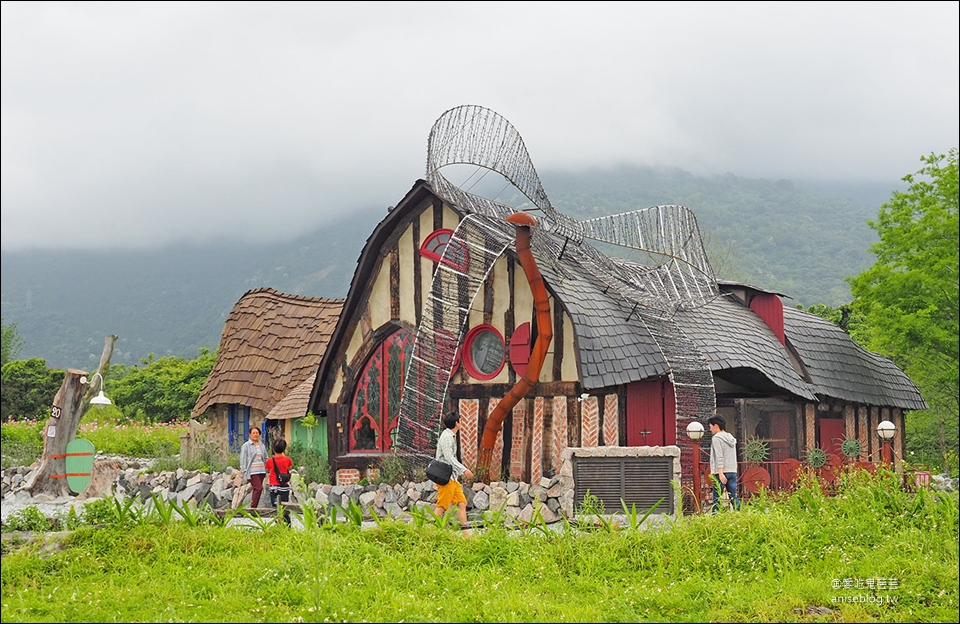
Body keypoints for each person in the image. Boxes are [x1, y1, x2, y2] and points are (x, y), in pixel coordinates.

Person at [434, 411, 474, 534]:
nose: (461, 423)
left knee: (462, 503)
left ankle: (466, 536)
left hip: (452, 478)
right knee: (441, 506)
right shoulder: (446, 437)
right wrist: (464, 470)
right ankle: (430, 533)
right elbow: (449, 457)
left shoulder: (451, 436)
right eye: (460, 420)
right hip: (446, 478)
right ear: (456, 423)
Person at [708, 414, 740, 512]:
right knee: (733, 497)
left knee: (716, 499)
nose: (710, 430)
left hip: (720, 473)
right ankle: (741, 515)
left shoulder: (716, 438)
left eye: (710, 427)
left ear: (716, 426)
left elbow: (719, 456)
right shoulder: (731, 438)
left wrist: (720, 473)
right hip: (732, 471)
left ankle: (715, 520)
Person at [265, 438, 294, 525]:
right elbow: (289, 468)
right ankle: (287, 524)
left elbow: (267, 470)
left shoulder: (270, 460)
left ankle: (278, 522)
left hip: (274, 486)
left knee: (275, 507)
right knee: (284, 506)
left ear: (273, 448)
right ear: (284, 449)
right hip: (284, 486)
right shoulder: (287, 459)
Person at [239, 425, 268, 508]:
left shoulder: (262, 445)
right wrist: (244, 471)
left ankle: (254, 507)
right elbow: (243, 459)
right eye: (253, 433)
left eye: (257, 433)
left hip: (261, 470)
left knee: (258, 489)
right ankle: (253, 507)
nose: (255, 434)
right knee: (258, 488)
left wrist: (267, 466)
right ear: (250, 434)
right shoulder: (246, 446)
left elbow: (265, 456)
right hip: (252, 471)